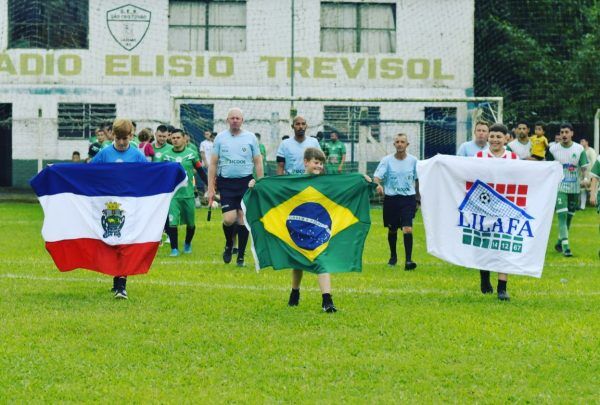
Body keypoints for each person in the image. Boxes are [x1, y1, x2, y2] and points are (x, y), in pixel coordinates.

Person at [250, 147, 338, 312]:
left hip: (318, 229)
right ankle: (295, 292)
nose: (319, 166)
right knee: (297, 262)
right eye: (316, 162)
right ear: (306, 162)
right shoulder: (294, 182)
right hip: (297, 228)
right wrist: (258, 184)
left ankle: (327, 300)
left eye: (321, 164)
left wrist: (362, 180)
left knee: (321, 261)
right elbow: (275, 188)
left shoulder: (325, 183)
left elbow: (344, 188)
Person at [91, 118, 147, 299]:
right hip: (108, 206)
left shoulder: (137, 155)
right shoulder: (104, 154)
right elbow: (88, 173)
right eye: (119, 138)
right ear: (112, 136)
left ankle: (122, 285)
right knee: (112, 241)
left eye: (126, 138)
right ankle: (117, 280)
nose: (122, 142)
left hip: (129, 205)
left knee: (124, 242)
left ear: (131, 135)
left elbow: (149, 175)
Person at [207, 108, 263, 267]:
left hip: (246, 182)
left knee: (242, 219)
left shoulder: (251, 138)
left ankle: (241, 256)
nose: (235, 120)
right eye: (232, 118)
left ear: (242, 120)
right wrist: (211, 188)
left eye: (238, 118)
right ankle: (229, 244)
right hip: (226, 183)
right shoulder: (220, 138)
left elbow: (258, 161)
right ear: (227, 120)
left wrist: (261, 182)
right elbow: (213, 163)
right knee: (229, 219)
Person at [474, 123, 518, 300]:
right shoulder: (479, 156)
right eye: (492, 136)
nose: (494, 140)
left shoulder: (513, 158)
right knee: (484, 245)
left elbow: (522, 178)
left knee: (503, 245)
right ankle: (485, 279)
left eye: (499, 137)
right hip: (483, 207)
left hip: (505, 207)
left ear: (506, 138)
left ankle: (502, 288)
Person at [374, 133, 419, 270]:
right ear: (394, 144)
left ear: (407, 145)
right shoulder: (387, 160)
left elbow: (418, 179)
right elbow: (377, 177)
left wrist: (418, 198)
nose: (400, 144)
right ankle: (393, 257)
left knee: (407, 228)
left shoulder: (414, 161)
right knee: (392, 229)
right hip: (391, 199)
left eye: (402, 142)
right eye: (397, 142)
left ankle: (408, 261)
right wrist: (378, 185)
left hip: (408, 199)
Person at [158, 129, 205, 257]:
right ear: (170, 139)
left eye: (178, 137)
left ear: (184, 139)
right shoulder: (165, 156)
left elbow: (200, 171)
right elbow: (160, 174)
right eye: (173, 138)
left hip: (188, 195)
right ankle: (174, 249)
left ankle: (187, 244)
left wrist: (210, 186)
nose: (175, 140)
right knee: (172, 223)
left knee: (191, 224)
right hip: (173, 196)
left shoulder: (192, 154)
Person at [546, 123, 589, 257]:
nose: (564, 135)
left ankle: (560, 241)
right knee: (562, 216)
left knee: (569, 217)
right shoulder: (553, 149)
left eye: (566, 132)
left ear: (572, 133)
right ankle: (566, 247)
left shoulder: (579, 148)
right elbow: (548, 167)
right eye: (562, 132)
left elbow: (584, 168)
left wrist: (585, 179)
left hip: (575, 187)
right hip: (560, 187)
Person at [579, 138, 597, 209]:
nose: (581, 142)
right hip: (583, 173)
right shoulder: (580, 152)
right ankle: (582, 206)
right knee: (582, 188)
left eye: (582, 141)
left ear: (587, 142)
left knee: (593, 188)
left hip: (591, 174)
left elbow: (594, 161)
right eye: (580, 141)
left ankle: (595, 203)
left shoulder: (591, 151)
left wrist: (592, 174)